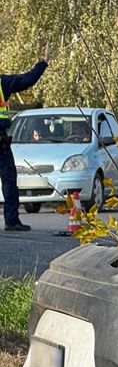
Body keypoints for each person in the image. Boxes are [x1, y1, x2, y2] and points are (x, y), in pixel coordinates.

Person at [0, 46, 50, 231]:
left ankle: (12, 221)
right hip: (0, 142)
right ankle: (12, 221)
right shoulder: (2, 83)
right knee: (9, 180)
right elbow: (27, 79)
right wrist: (42, 63)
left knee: (10, 180)